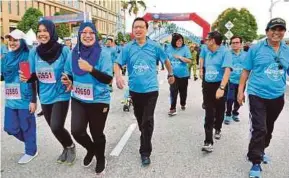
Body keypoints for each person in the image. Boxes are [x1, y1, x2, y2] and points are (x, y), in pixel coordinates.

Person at [114, 17, 175, 166]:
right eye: (135, 27)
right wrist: (118, 76)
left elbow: (165, 60)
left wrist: (170, 74)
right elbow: (117, 63)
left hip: (151, 90)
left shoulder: (155, 46)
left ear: (146, 29)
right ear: (133, 30)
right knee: (141, 119)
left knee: (147, 119)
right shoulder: (128, 48)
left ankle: (145, 151)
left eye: (141, 27)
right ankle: (145, 134)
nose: (138, 30)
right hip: (135, 91)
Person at [237, 18, 289, 178]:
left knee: (269, 127)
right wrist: (240, 91)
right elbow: (245, 71)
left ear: (284, 33)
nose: (277, 32)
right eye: (274, 29)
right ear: (267, 31)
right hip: (257, 94)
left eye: (281, 29)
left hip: (277, 95)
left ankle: (261, 149)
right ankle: (255, 161)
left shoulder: (286, 50)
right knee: (260, 128)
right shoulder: (256, 49)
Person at [19, 19, 76, 165]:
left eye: (45, 30)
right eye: (39, 31)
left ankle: (70, 146)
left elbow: (71, 70)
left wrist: (69, 79)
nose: (42, 34)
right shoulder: (34, 52)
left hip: (61, 94)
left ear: (51, 32)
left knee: (56, 125)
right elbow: (32, 77)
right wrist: (27, 79)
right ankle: (65, 147)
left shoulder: (63, 50)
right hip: (44, 95)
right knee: (53, 128)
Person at [62, 22, 112, 175]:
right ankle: (91, 150)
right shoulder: (73, 53)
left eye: (91, 32)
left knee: (97, 133)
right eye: (84, 32)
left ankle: (101, 157)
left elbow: (108, 79)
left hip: (98, 99)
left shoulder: (103, 53)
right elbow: (68, 72)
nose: (87, 35)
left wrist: (90, 69)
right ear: (79, 35)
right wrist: (67, 79)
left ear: (95, 35)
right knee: (77, 131)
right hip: (78, 97)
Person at [1, 29, 38, 164]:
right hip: (10, 100)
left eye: (15, 40)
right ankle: (31, 141)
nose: (12, 43)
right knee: (10, 128)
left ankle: (31, 150)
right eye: (10, 40)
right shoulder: (6, 58)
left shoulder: (27, 57)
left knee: (27, 126)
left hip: (24, 99)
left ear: (22, 41)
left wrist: (33, 100)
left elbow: (32, 81)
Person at [199, 31, 232, 152]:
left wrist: (222, 88)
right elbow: (202, 61)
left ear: (212, 40)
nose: (205, 41)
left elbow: (227, 71)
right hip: (208, 85)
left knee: (220, 110)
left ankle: (218, 127)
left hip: (220, 85)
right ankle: (208, 141)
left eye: (207, 39)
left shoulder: (225, 52)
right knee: (209, 113)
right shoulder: (207, 51)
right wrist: (201, 71)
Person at [165, 33, 192, 116]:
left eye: (181, 41)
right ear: (174, 41)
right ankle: (172, 108)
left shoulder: (185, 48)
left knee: (183, 92)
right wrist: (170, 73)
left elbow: (189, 60)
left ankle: (183, 103)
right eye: (178, 41)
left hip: (183, 75)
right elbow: (166, 60)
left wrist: (180, 57)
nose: (179, 42)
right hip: (173, 74)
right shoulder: (169, 48)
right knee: (173, 91)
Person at [223, 36, 247, 125]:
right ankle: (228, 114)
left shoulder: (246, 55)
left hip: (242, 82)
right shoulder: (227, 54)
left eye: (237, 42)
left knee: (239, 99)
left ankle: (235, 112)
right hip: (230, 80)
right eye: (233, 43)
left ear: (241, 44)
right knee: (230, 98)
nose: (235, 44)